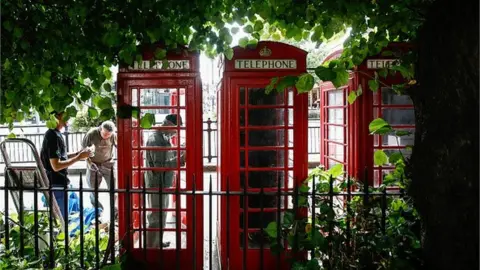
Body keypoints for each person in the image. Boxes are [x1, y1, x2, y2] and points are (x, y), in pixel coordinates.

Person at [40, 111, 91, 219]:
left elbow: (60, 156)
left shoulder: (56, 133)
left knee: (61, 218)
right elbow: (56, 165)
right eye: (65, 115)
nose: (68, 117)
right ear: (57, 117)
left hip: (58, 182)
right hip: (55, 183)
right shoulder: (52, 136)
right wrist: (78, 158)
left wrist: (78, 153)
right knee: (60, 221)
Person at [145, 114, 185, 248]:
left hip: (164, 182)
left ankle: (158, 242)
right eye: (176, 128)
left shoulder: (164, 138)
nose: (176, 132)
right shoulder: (155, 139)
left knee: (162, 214)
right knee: (155, 216)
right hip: (156, 183)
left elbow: (167, 156)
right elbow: (159, 167)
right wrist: (182, 159)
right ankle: (151, 248)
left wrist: (180, 150)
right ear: (168, 124)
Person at [81, 120, 117, 212]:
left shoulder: (113, 135)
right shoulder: (91, 134)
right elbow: (83, 150)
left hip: (108, 163)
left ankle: (115, 210)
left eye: (109, 135)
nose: (106, 136)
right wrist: (89, 162)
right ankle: (97, 210)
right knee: (93, 190)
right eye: (105, 134)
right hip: (93, 164)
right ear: (100, 129)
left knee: (113, 189)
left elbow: (120, 147)